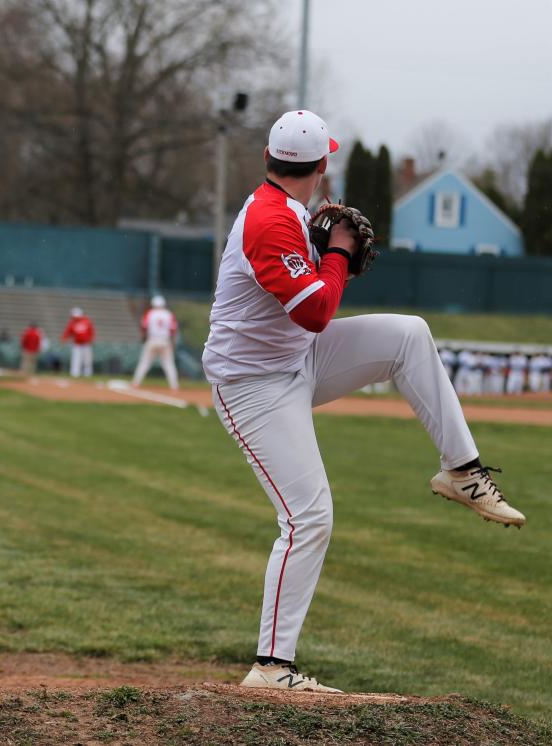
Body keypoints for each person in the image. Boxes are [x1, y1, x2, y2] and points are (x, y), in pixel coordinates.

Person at [203, 110, 525, 694]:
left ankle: (463, 471)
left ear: (271, 161)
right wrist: (341, 253)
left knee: (409, 335)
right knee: (309, 517)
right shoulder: (271, 222)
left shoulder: (291, 213)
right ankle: (272, 669)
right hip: (252, 384)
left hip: (297, 359)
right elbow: (317, 311)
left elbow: (312, 312)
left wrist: (329, 244)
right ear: (323, 165)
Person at [131, 295, 179, 390]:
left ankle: (136, 383)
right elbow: (173, 330)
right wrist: (172, 343)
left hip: (152, 340)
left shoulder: (150, 313)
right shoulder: (169, 314)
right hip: (165, 341)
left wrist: (143, 338)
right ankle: (174, 386)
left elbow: (144, 328)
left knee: (144, 362)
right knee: (169, 364)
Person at [61, 307, 95, 377]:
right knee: (76, 359)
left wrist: (91, 339)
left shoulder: (87, 321)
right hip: (77, 344)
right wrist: (64, 338)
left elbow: (91, 331)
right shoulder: (72, 323)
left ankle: (87, 373)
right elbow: (68, 332)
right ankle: (75, 373)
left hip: (86, 344)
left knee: (87, 360)